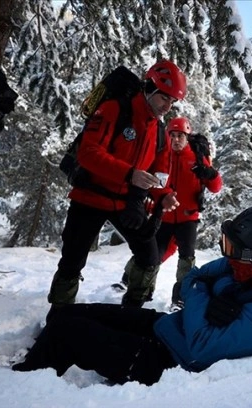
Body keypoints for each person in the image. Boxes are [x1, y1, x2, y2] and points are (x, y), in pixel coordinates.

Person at [12, 204, 252, 386]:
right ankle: (36, 360)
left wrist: (201, 293)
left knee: (69, 332)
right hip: (171, 329)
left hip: (167, 364)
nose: (228, 258)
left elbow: (200, 349)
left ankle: (19, 385)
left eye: (236, 253)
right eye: (228, 248)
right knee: (69, 314)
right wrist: (202, 293)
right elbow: (195, 277)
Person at [47, 60, 187, 309]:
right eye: (164, 98)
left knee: (149, 258)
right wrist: (129, 174)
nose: (168, 106)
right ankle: (58, 317)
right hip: (90, 197)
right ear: (149, 89)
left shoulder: (160, 130)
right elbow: (88, 153)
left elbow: (157, 173)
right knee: (72, 261)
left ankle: (130, 312)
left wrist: (163, 194)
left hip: (127, 203)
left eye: (172, 102)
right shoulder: (115, 109)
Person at [114, 117, 222, 310]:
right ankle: (132, 281)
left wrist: (210, 173)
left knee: (186, 258)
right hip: (163, 216)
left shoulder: (197, 158)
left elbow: (216, 187)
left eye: (180, 135)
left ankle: (180, 298)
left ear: (187, 137)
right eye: (172, 135)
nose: (176, 139)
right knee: (155, 253)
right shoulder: (162, 156)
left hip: (188, 218)